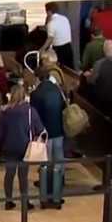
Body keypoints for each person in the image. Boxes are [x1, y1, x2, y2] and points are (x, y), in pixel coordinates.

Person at [0, 84, 45, 209]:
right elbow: (39, 129)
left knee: (9, 174)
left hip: (9, 147)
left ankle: (8, 201)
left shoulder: (5, 112)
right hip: (25, 147)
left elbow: (0, 133)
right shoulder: (30, 111)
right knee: (23, 175)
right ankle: (24, 201)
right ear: (24, 95)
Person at [31, 68, 68, 209]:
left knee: (44, 166)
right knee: (58, 166)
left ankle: (44, 199)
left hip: (44, 134)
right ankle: (57, 198)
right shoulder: (57, 89)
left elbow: (34, 116)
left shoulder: (36, 94)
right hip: (58, 131)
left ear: (38, 78)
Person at [86, 39, 112, 126]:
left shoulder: (98, 64)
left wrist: (88, 76)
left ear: (103, 50)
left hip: (102, 100)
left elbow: (92, 81)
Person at [44, 2, 74, 70]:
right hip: (68, 47)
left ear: (48, 11)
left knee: (59, 70)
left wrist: (42, 49)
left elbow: (50, 39)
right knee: (70, 70)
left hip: (59, 50)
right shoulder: (65, 18)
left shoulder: (51, 23)